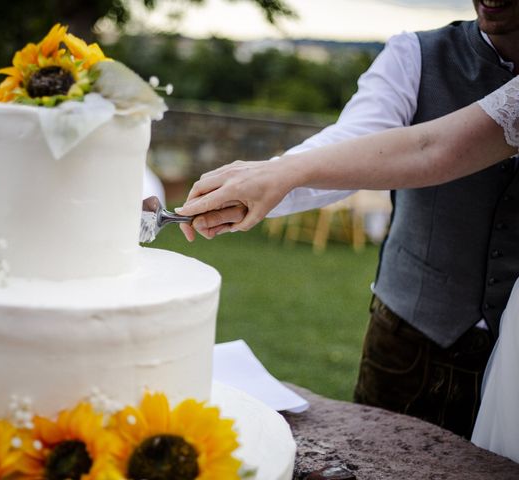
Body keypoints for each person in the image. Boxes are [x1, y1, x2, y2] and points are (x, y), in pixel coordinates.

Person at [177, 1, 519, 441]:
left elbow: (431, 149)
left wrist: (276, 176)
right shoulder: (414, 54)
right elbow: (356, 142)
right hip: (411, 339)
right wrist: (265, 184)